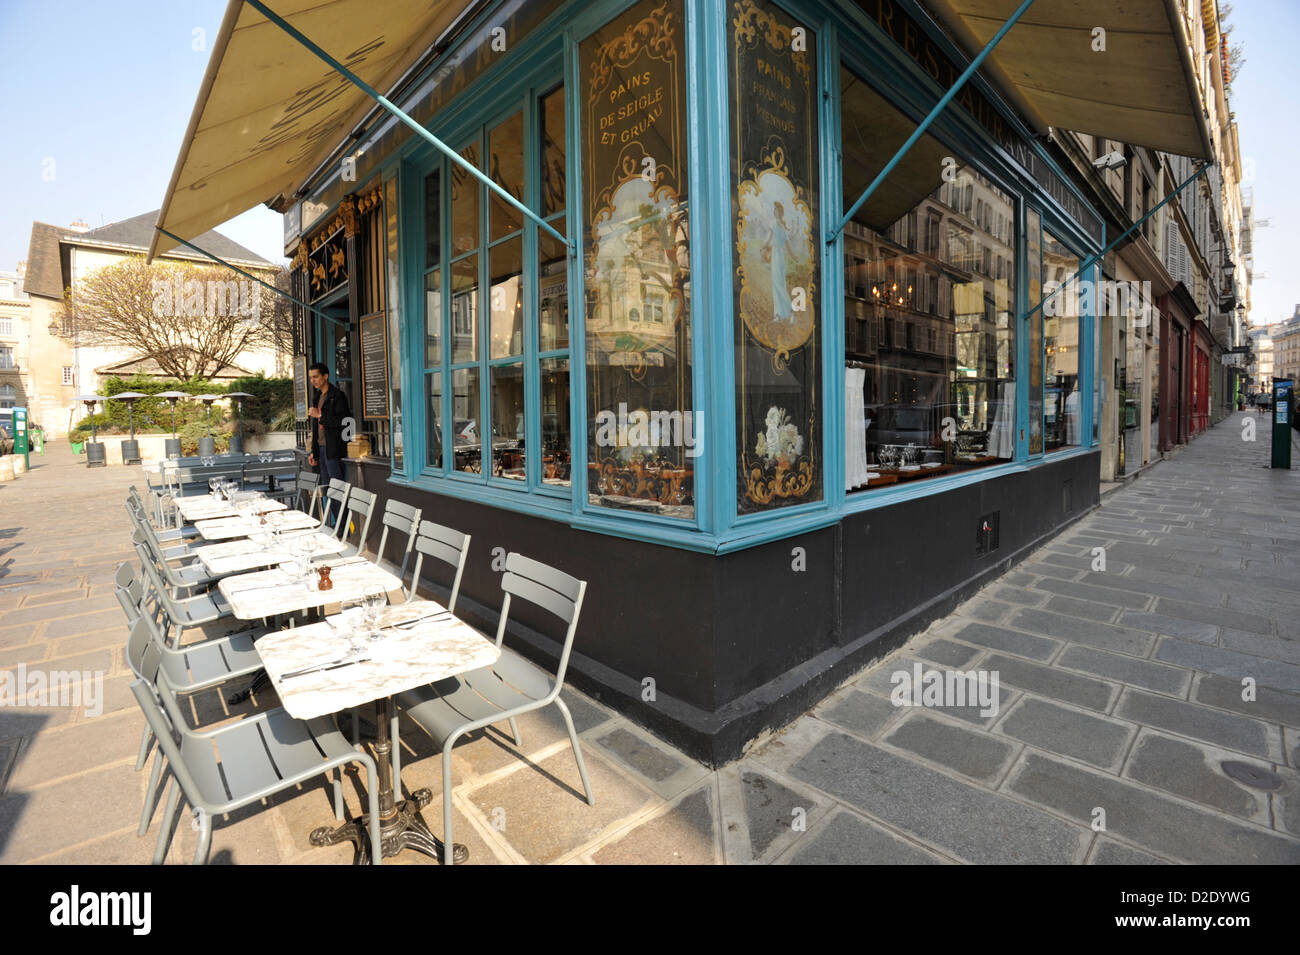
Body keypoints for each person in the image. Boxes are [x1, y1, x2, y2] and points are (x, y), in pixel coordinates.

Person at [307, 362, 351, 525]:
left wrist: (320, 415)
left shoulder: (337, 396)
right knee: (326, 489)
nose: (313, 381)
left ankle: (343, 526)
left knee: (337, 489)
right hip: (322, 449)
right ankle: (334, 523)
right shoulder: (317, 397)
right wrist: (313, 451)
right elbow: (315, 427)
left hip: (334, 449)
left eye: (316, 377)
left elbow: (344, 422)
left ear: (325, 376)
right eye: (311, 378)